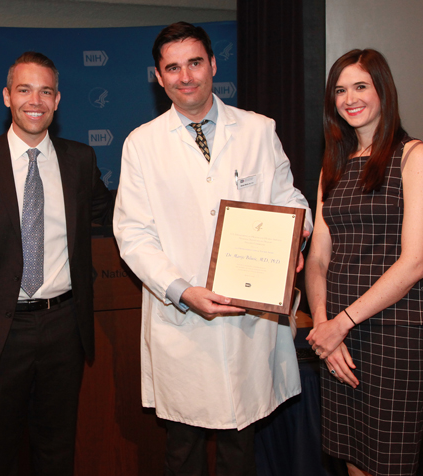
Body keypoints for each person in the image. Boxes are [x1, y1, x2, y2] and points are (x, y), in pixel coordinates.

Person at [113, 22, 312, 475]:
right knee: (182, 449)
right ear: (159, 77)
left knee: (240, 447)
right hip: (182, 318)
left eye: (195, 63)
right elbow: (133, 234)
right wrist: (182, 290)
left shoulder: (259, 130)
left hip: (248, 315)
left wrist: (293, 239)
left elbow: (290, 199)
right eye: (173, 67)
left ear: (213, 65)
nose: (186, 76)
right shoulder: (142, 145)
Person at [0, 51, 112, 475]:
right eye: (24, 90)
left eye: (45, 91)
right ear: (6, 96)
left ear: (57, 100)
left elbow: (116, 213)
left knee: (56, 448)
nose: (34, 100)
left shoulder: (80, 160)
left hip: (64, 327)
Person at [305, 49, 423, 476]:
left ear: (383, 89)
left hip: (394, 333)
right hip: (336, 340)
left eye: (360, 86)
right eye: (340, 90)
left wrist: (339, 323)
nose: (350, 98)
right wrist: (325, 328)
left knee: (389, 466)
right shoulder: (333, 166)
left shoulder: (415, 155)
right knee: (352, 461)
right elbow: (318, 259)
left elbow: (414, 263)